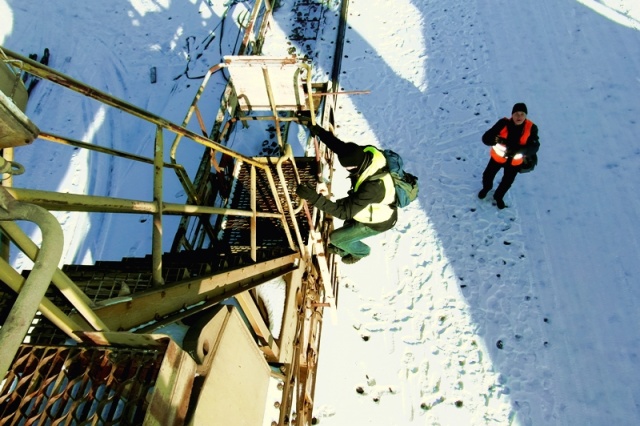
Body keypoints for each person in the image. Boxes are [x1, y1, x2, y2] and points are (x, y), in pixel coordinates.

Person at [296, 124, 397, 264]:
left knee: (336, 237)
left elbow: (344, 212)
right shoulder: (367, 156)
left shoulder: (373, 187)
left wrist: (313, 197)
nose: (348, 171)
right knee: (346, 226)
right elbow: (341, 148)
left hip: (380, 220)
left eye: (349, 169)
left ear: (356, 167)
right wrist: (318, 130)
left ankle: (361, 251)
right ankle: (345, 245)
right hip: (371, 205)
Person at [478, 102, 540, 209]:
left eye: (522, 114)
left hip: (514, 163)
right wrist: (491, 140)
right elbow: (486, 138)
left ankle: (498, 197)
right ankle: (486, 188)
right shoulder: (502, 123)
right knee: (487, 175)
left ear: (526, 115)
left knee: (507, 183)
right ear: (512, 114)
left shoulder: (532, 128)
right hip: (497, 159)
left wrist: (519, 150)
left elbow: (535, 147)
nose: (519, 117)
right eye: (516, 114)